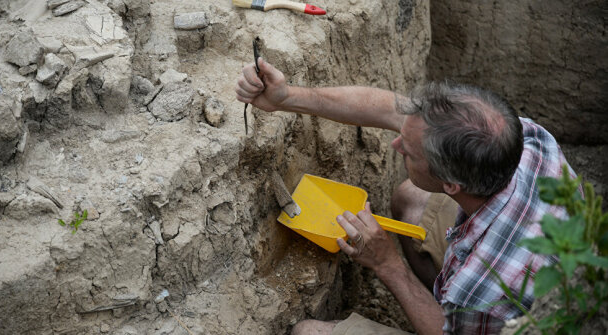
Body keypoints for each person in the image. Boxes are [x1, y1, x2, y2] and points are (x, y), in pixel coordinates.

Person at [235, 58, 573, 334]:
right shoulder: (527, 138)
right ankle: (440, 298)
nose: (396, 145)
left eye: (409, 153)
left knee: (307, 333)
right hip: (509, 264)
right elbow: (388, 110)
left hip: (504, 314)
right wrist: (285, 97)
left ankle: (445, 308)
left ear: (452, 184)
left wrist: (387, 264)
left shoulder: (483, 289)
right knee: (411, 200)